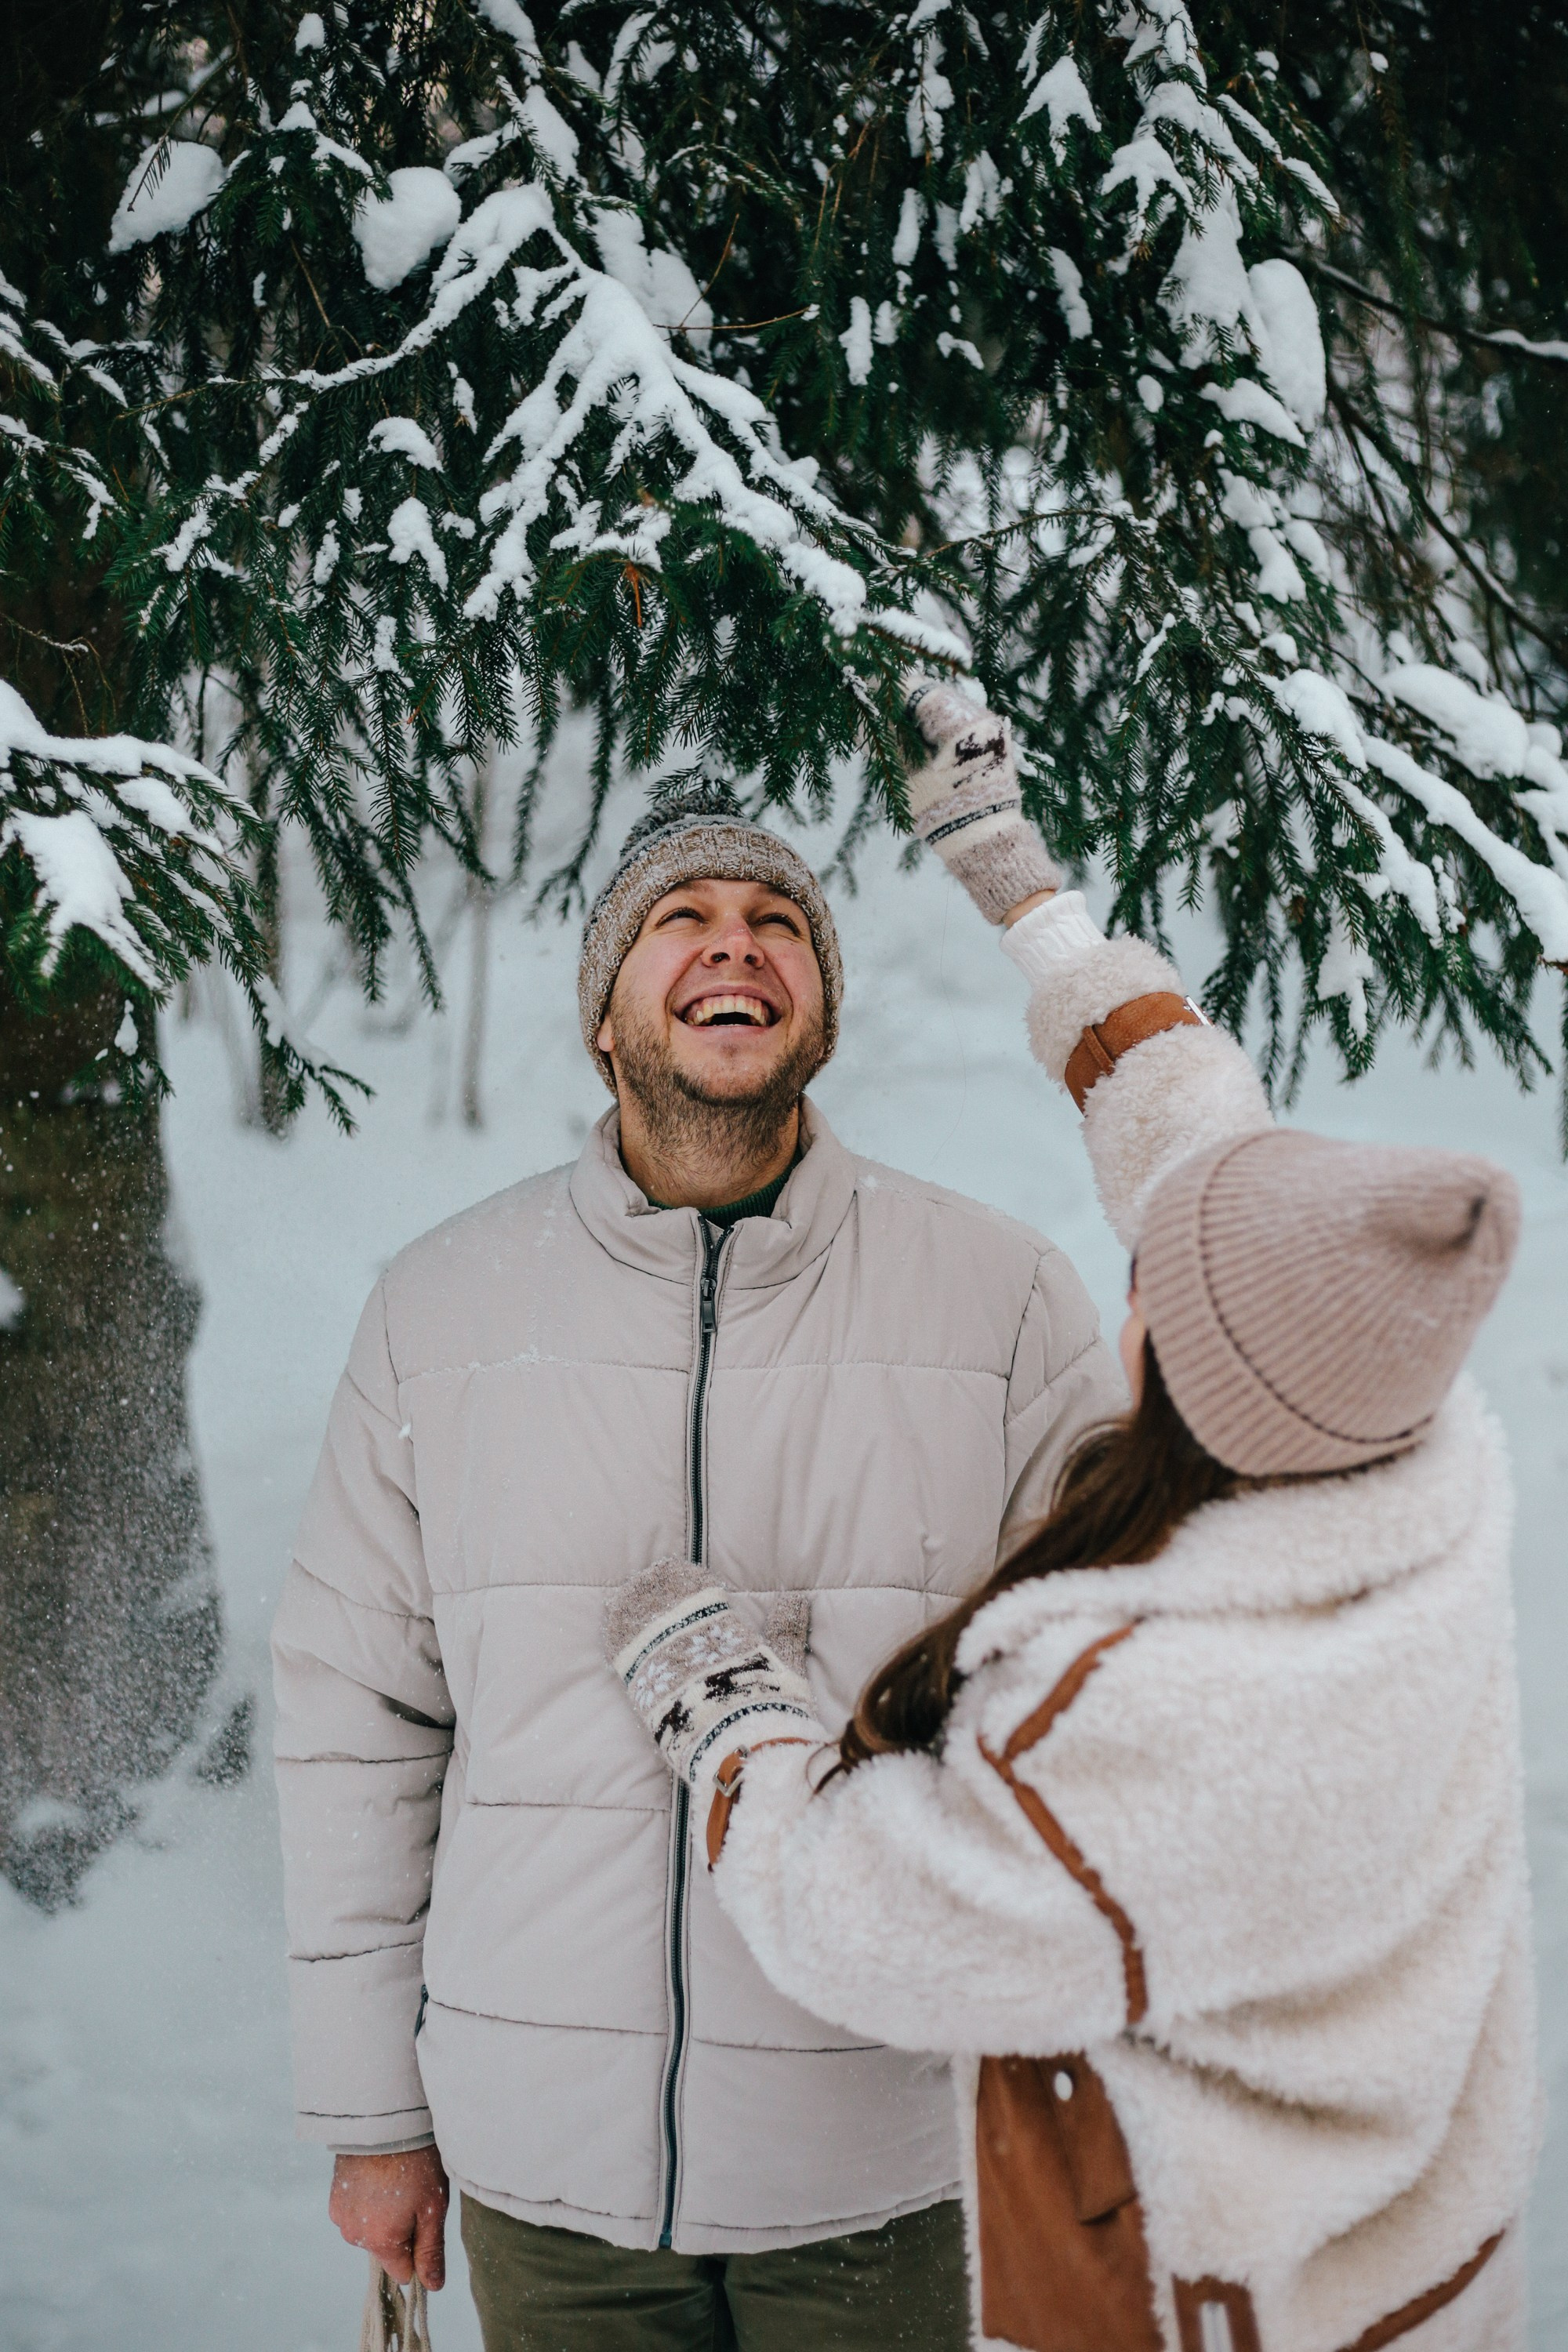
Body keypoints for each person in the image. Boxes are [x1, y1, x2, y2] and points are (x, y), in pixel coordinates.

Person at [610, 684, 1539, 2352]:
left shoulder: (1168, 1708)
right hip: (1422, 2244)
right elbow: (1200, 1145)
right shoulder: (1399, 1446)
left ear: (1187, 1372)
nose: (1129, 1287)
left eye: (1150, 1293)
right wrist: (1018, 886)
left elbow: (873, 1923)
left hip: (1235, 2297)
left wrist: (729, 1717)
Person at [271, 767, 1126, 2348]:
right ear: (606, 1017)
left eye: (775, 921)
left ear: (822, 1012)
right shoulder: (440, 1313)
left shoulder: (1001, 1301)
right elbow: (355, 1726)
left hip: (877, 2155)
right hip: (549, 2165)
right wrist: (373, 2114)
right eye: (683, 917)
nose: (735, 944)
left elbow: (1091, 1700)